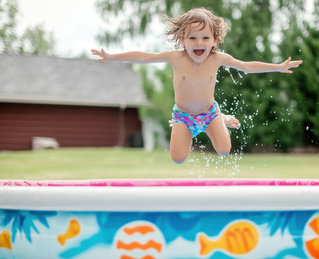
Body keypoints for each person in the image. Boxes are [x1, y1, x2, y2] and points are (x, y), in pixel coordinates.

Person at [91, 7, 302, 164]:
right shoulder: (176, 58)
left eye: (205, 37)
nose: (198, 42)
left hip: (209, 113)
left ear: (215, 40)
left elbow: (246, 66)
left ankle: (222, 118)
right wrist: (111, 56)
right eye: (192, 37)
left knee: (224, 150)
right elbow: (145, 57)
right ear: (182, 39)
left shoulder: (218, 58)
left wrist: (278, 67)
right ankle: (191, 132)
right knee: (178, 158)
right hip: (182, 116)